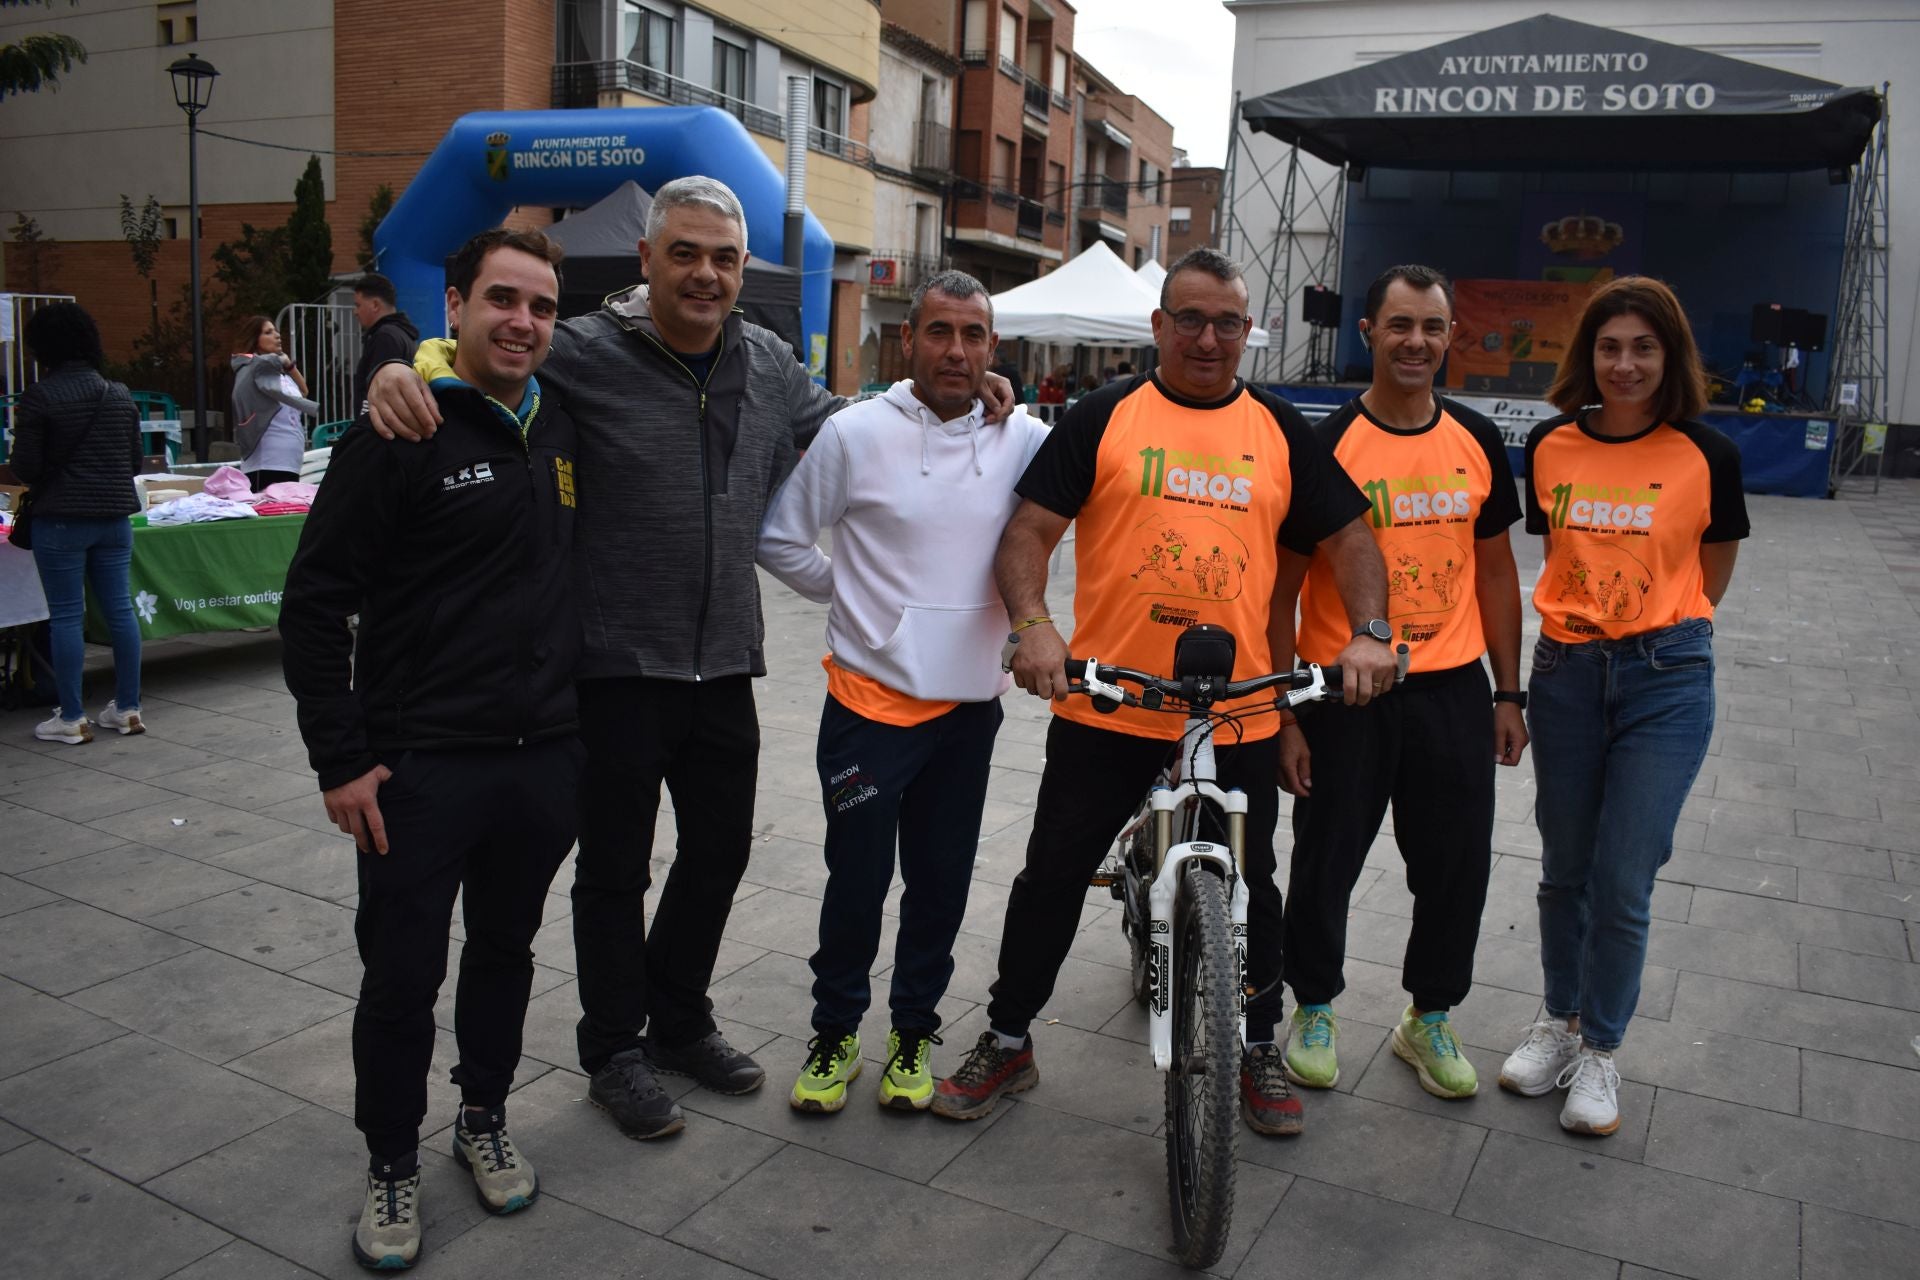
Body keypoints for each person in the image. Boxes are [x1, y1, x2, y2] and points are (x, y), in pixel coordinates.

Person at [364, 176, 1019, 1141]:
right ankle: (614, 1048)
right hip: (615, 664)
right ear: (647, 260)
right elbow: (491, 363)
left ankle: (678, 1017)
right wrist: (407, 364)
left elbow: (852, 431)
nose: (706, 274)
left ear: (742, 267)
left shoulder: (765, 360)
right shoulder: (586, 351)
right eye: (686, 253)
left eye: (723, 257)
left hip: (724, 664)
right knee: (614, 871)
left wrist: (953, 396)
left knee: (718, 855)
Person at [930, 247, 1400, 1137]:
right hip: (1110, 700)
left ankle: (1255, 1043)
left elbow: (1351, 540)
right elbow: (1028, 533)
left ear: (1248, 332)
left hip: (1240, 710)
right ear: (1159, 327)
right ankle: (1008, 1034)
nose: (1210, 338)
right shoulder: (1107, 415)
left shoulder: (1277, 428)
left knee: (1255, 881)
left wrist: (1373, 636)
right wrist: (1034, 627)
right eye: (1190, 319)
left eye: (1228, 322)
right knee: (1053, 875)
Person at [280, 227, 580, 1270]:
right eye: (503, 298)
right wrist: (340, 757)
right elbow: (312, 604)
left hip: (541, 760)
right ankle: (392, 1161)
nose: (523, 321)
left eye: (542, 307)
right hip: (419, 768)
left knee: (505, 953)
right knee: (402, 976)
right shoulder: (397, 431)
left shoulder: (561, 422)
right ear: (453, 306)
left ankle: (482, 1114)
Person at [757, 270, 1049, 1114]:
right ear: (908, 339)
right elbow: (780, 539)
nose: (956, 350)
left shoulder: (1021, 438)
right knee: (855, 883)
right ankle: (837, 1031)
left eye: (974, 336)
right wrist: (855, 601)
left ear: (995, 348)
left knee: (941, 882)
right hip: (867, 709)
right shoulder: (855, 434)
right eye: (939, 333)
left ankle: (914, 1032)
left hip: (967, 714)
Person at [1498, 276, 1747, 1136]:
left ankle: (1601, 1047)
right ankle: (1558, 1022)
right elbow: (1556, 550)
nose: (1626, 363)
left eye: (1644, 347)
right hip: (1567, 673)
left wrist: (1653, 628)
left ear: (1669, 355)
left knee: (1622, 876)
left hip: (1666, 679)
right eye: (1610, 347)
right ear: (1588, 356)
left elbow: (1713, 571)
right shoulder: (1555, 447)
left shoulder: (1707, 454)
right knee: (1563, 868)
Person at [1273, 265, 1527, 1102]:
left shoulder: (1478, 440)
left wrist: (1506, 692)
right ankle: (1312, 1005)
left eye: (1432, 327)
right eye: (1400, 325)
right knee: (1326, 859)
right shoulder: (1327, 444)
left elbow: (1496, 577)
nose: (1416, 342)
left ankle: (1430, 1015)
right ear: (1368, 334)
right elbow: (1282, 588)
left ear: (1450, 337)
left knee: (1455, 868)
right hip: (1342, 693)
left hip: (1450, 690)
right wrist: (1287, 712)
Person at [10, 302, 144, 744]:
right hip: (114, 517)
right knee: (120, 610)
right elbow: (133, 460)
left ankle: (71, 716)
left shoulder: (41, 396)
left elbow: (25, 466)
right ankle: (127, 709)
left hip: (62, 520)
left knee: (67, 616)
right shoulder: (119, 393)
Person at [230, 314, 318, 491]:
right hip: (267, 461)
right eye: (268, 332)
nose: (277, 335)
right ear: (256, 340)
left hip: (290, 459)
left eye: (276, 331)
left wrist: (289, 366)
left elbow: (303, 392)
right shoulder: (252, 368)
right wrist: (276, 360)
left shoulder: (277, 373)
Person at [350, 273, 419, 417]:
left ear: (375, 305)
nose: (355, 312)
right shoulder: (402, 334)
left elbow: (377, 392)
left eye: (358, 305)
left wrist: (363, 430)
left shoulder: (385, 337)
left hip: (380, 431)